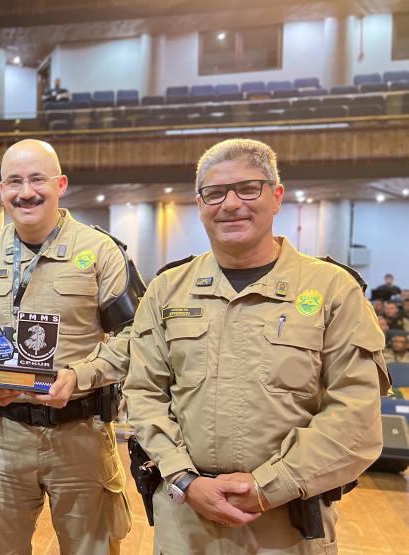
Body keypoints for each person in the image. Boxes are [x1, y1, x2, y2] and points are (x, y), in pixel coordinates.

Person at [124, 138, 390, 554]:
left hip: (287, 526)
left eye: (248, 189)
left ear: (276, 196)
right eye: (214, 193)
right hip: (186, 521)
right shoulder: (167, 291)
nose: (230, 204)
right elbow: (143, 394)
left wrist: (268, 486)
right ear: (200, 204)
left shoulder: (332, 290)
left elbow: (355, 413)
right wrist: (186, 479)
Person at [0, 139, 143, 555]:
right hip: (3, 435)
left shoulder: (101, 252)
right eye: (14, 181)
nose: (26, 191)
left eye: (38, 179)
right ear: (1, 190)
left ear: (61, 184)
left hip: (82, 435)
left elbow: (135, 337)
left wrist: (78, 376)